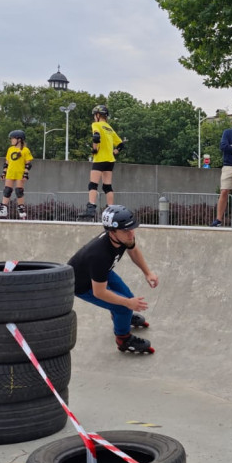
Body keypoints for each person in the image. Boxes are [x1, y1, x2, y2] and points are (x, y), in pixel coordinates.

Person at [67, 204, 159, 355]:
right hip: (84, 285)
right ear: (112, 232)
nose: (131, 234)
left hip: (103, 273)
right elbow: (99, 293)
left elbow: (133, 251)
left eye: (132, 228)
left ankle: (121, 316)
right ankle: (123, 339)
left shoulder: (124, 238)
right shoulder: (99, 255)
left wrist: (147, 272)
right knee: (123, 306)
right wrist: (127, 304)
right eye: (125, 230)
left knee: (127, 297)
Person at [81, 104, 125, 219]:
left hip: (100, 159)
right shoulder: (109, 128)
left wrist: (95, 149)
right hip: (110, 161)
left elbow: (96, 137)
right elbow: (120, 144)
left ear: (98, 115)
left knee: (93, 184)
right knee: (107, 187)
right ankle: (111, 210)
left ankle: (91, 209)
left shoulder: (96, 124)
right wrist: (115, 152)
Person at [0, 130, 33, 219]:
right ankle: (3, 210)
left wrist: (25, 174)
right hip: (10, 173)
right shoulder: (10, 149)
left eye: (13, 139)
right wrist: (3, 172)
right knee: (7, 190)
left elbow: (28, 164)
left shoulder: (25, 150)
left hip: (19, 174)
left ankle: (21, 209)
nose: (11, 140)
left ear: (19, 139)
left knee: (19, 191)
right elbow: (6, 162)